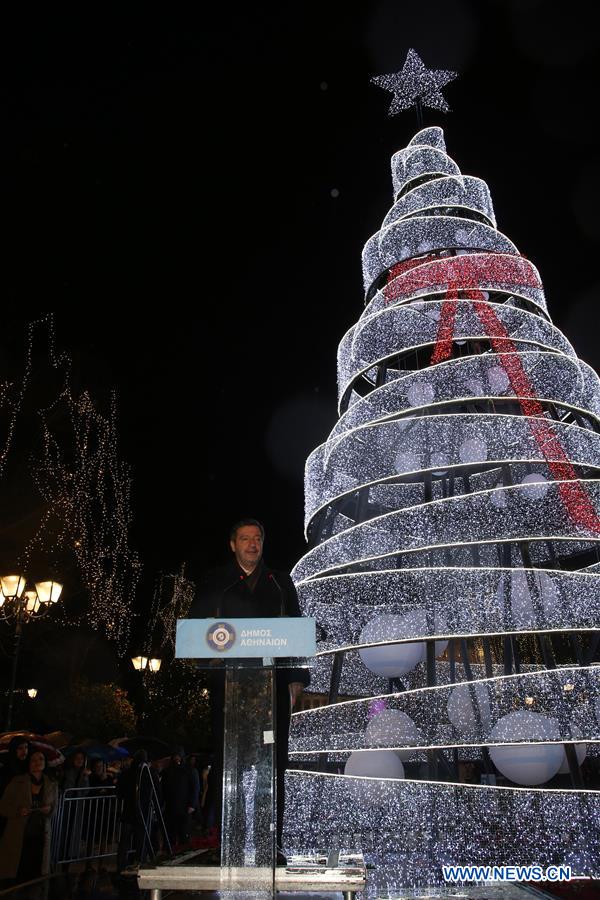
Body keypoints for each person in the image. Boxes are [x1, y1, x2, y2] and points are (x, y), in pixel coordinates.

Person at [188, 518, 310, 862]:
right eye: (245, 539)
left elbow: (297, 631)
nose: (252, 544)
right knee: (231, 767)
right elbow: (196, 633)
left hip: (272, 692)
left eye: (257, 538)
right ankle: (231, 843)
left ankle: (270, 845)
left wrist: (297, 678)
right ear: (233, 544)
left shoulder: (280, 582)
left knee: (272, 769)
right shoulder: (216, 583)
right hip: (230, 693)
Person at [0, 750, 58, 893]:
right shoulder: (17, 781)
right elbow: (3, 807)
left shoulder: (51, 784)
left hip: (40, 837)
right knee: (17, 877)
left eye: (41, 759)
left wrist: (48, 809)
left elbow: (54, 810)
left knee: (36, 878)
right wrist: (18, 811)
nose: (37, 762)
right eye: (33, 759)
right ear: (28, 763)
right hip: (19, 837)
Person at [160, 747, 196, 849]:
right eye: (175, 756)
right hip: (171, 807)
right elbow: (164, 788)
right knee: (170, 833)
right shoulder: (167, 771)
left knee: (183, 833)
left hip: (184, 807)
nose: (176, 758)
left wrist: (192, 804)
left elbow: (195, 788)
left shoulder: (189, 770)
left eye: (178, 756)